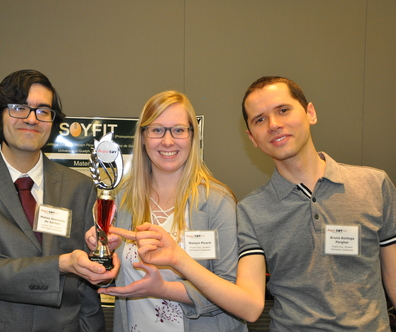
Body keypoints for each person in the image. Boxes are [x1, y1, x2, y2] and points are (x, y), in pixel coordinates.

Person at [114, 76, 396, 331]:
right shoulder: (252, 211)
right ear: (251, 137)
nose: (274, 124)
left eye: (283, 110)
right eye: (259, 119)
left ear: (310, 112)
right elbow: (249, 305)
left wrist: (173, 268)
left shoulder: (374, 185)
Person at [0, 69, 118, 332]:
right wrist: (61, 264)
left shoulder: (81, 188)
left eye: (43, 111)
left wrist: (104, 262)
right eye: (20, 108)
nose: (32, 119)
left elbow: (86, 290)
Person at [88, 91, 247, 332]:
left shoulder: (217, 202)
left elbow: (232, 290)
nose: (168, 141)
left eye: (179, 130)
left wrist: (163, 288)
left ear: (193, 136)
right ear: (143, 136)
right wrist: (102, 254)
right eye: (157, 130)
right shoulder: (122, 198)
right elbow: (113, 275)